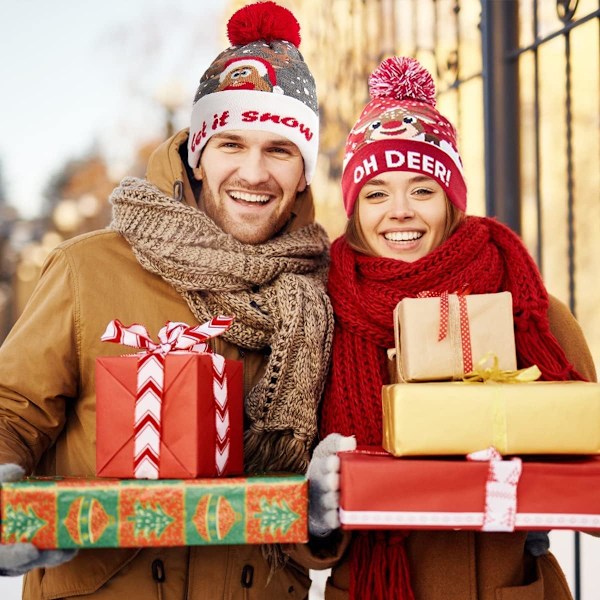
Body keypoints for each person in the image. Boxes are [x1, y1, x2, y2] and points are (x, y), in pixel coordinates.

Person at [0, 3, 334, 598]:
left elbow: (334, 483)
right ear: (198, 156)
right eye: (231, 143)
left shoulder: (324, 299)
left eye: (280, 150)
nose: (253, 172)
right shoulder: (88, 269)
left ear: (305, 172)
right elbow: (12, 409)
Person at [305, 56, 597, 600]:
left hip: (506, 585)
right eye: (376, 193)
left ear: (450, 200)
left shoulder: (532, 314)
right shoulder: (321, 320)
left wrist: (538, 482)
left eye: (422, 189)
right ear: (354, 207)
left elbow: (590, 464)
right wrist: (316, 512)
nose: (399, 212)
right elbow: (279, 501)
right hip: (377, 585)